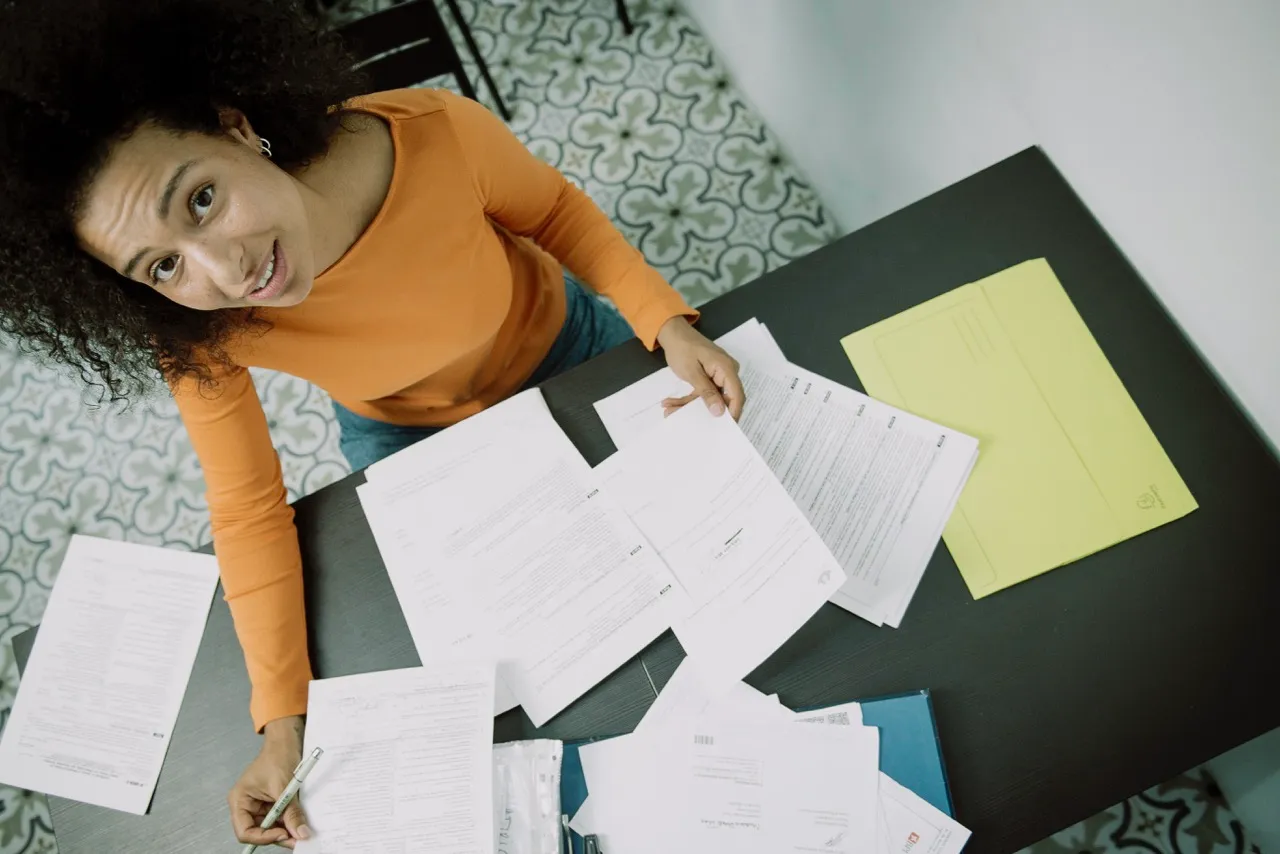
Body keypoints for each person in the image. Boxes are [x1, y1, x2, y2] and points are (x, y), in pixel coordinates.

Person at [0, 0, 745, 848]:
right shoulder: (197, 328)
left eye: (201, 200)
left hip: (567, 346)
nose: (223, 271)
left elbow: (558, 216)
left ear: (238, 128)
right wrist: (281, 723)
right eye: (161, 265)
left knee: (700, 552)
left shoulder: (433, 133)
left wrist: (665, 319)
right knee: (529, 649)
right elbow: (246, 507)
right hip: (406, 438)